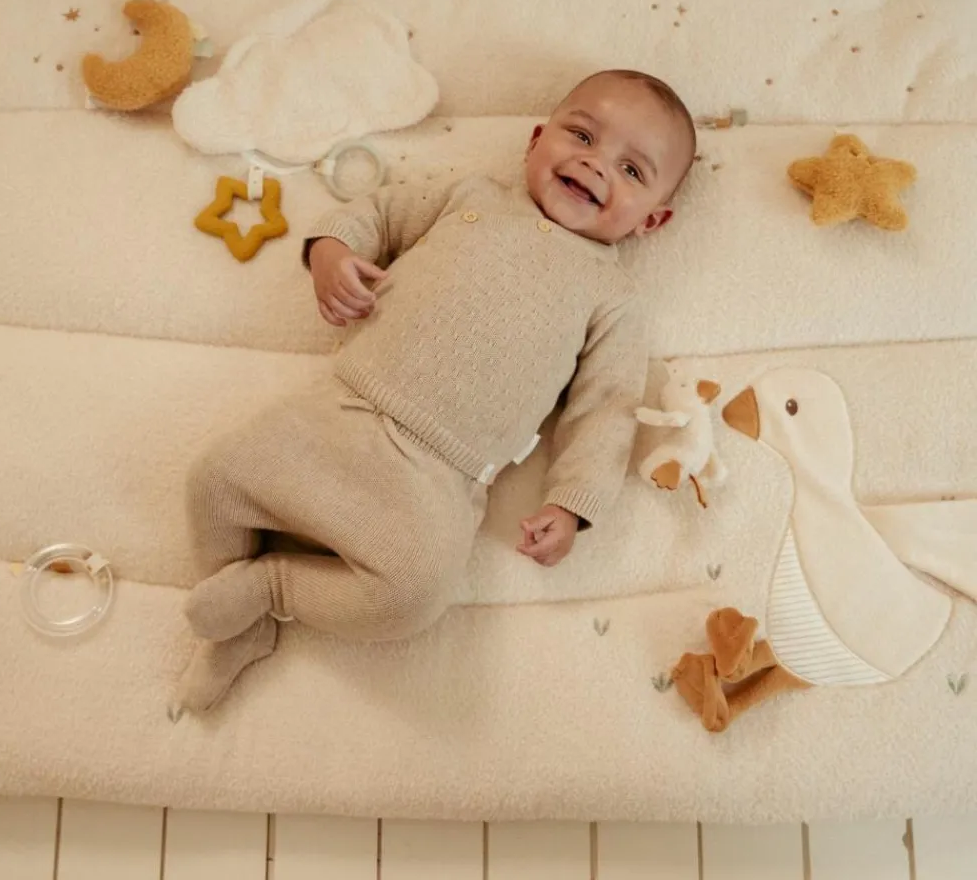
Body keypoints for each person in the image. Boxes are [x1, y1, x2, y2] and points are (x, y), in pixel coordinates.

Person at [177, 69, 697, 711]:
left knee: (412, 598)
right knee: (213, 481)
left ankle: (272, 591)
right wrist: (331, 254)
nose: (595, 164)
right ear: (536, 140)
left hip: (438, 479)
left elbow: (606, 410)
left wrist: (571, 504)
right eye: (582, 136)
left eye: (631, 170)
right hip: (337, 412)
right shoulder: (469, 195)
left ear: (653, 220)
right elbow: (377, 213)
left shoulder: (613, 298)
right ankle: (233, 629)